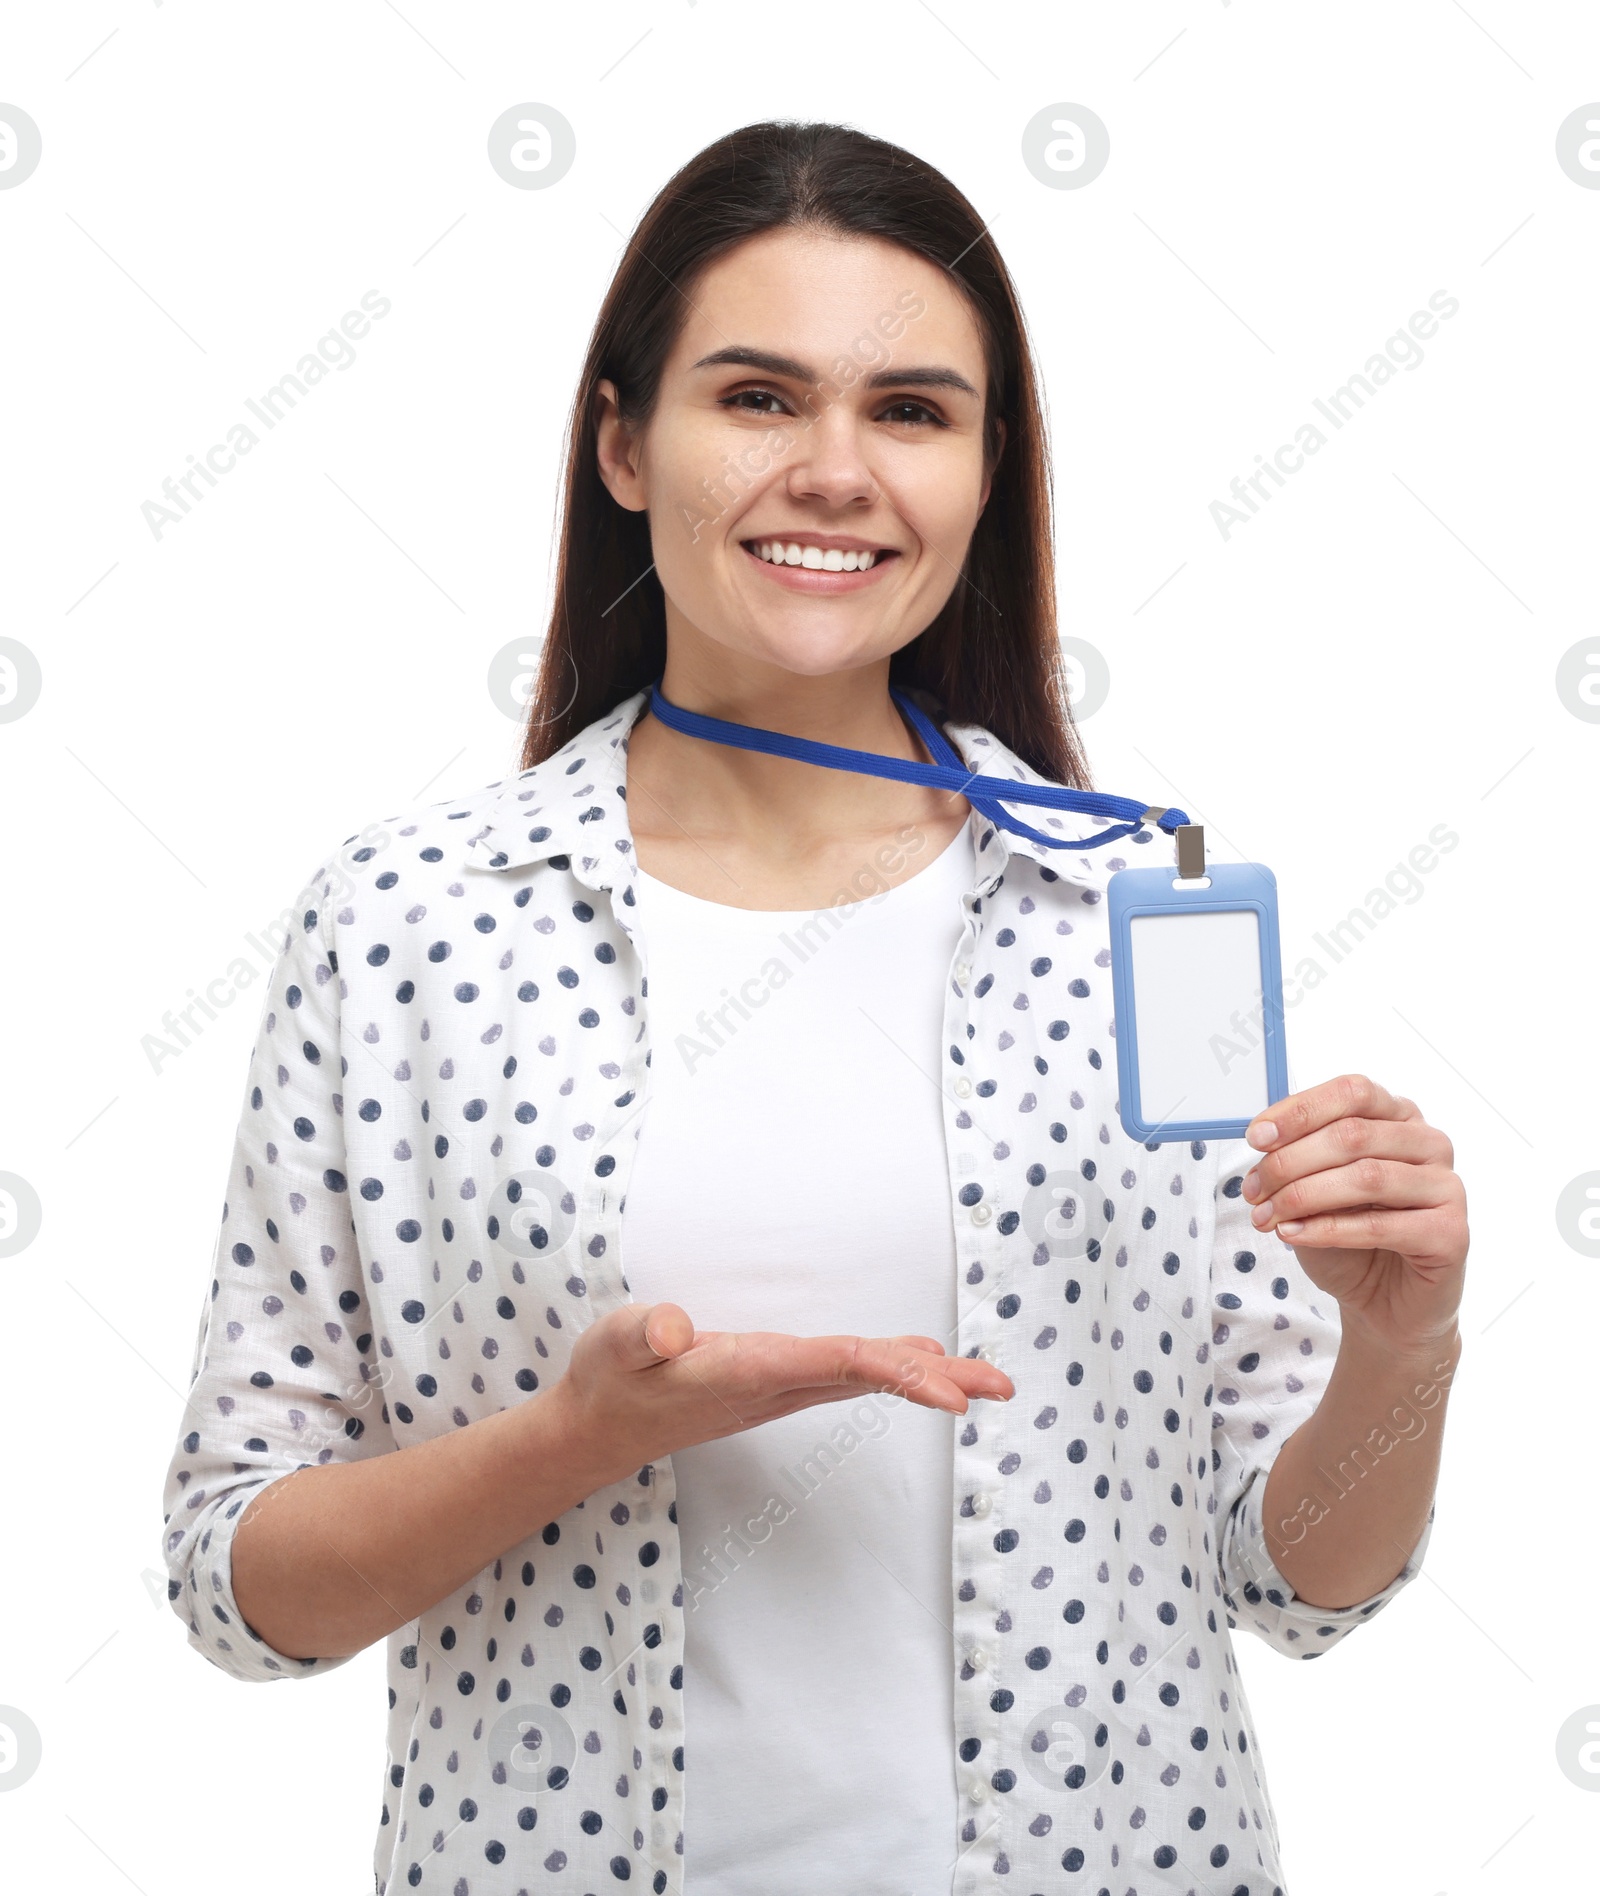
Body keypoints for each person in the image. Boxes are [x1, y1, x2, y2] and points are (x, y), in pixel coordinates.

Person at [159, 120, 1468, 1896]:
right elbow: (240, 1587)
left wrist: (1403, 1348)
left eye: (914, 412)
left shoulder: (1124, 920)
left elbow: (1290, 1580)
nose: (837, 469)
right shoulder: (405, 924)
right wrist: (571, 1444)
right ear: (624, 443)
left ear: (987, 475)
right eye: (759, 397)